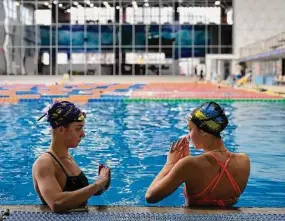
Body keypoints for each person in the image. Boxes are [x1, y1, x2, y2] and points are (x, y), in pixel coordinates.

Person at [145, 102, 250, 207]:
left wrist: (170, 164)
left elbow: (150, 197)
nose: (188, 136)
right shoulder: (244, 160)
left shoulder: (188, 164)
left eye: (190, 129)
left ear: (203, 131)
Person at [32, 101, 111, 212]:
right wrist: (97, 184)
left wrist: (103, 182)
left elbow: (77, 195)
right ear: (61, 129)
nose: (83, 134)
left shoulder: (68, 158)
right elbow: (57, 203)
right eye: (78, 129)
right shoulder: (45, 163)